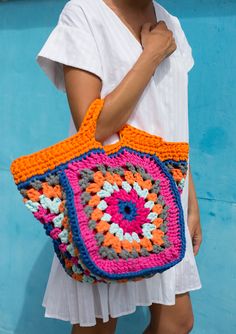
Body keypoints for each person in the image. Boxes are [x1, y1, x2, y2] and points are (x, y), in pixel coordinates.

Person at [36, 0, 203, 333]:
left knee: (176, 321)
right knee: (99, 327)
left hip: (163, 199)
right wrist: (151, 54)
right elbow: (92, 128)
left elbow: (170, 120)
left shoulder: (171, 23)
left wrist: (189, 197)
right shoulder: (83, 13)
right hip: (104, 200)